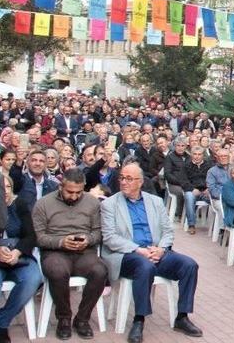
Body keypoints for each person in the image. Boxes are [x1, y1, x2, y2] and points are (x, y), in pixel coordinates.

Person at [100, 162, 203, 343]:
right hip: (127, 254)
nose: (124, 182)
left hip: (155, 250)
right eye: (122, 178)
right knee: (145, 266)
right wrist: (138, 250)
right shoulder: (110, 204)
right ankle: (139, 319)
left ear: (140, 182)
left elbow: (168, 230)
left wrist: (162, 249)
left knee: (189, 265)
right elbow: (109, 238)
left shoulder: (154, 201)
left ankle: (182, 316)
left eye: (129, 179)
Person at [32, 169, 108, 340]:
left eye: (79, 192)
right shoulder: (43, 204)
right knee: (58, 272)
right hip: (55, 252)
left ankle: (82, 319)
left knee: (100, 271)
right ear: (61, 186)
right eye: (70, 192)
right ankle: (64, 318)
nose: (74, 197)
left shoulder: (92, 203)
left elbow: (98, 233)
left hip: (84, 252)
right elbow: (39, 237)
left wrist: (87, 239)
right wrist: (61, 242)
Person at [0, 168, 41, 343]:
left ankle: (2, 322)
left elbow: (31, 235)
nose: (5, 191)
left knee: (34, 278)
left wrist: (16, 252)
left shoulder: (20, 204)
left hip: (19, 254)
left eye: (7, 187)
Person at [182, 146, 212, 235]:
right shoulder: (186, 165)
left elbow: (212, 179)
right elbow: (183, 181)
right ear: (191, 155)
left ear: (203, 155)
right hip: (192, 190)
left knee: (217, 199)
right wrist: (192, 189)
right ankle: (191, 225)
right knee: (189, 197)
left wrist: (209, 188)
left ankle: (218, 227)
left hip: (206, 190)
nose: (197, 156)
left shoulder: (209, 165)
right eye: (195, 154)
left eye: (199, 154)